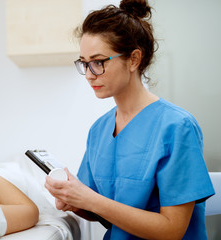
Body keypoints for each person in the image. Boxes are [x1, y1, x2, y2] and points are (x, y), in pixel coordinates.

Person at [44, 0, 215, 239]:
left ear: (134, 59)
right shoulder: (99, 130)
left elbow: (172, 229)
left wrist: (90, 199)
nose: (89, 75)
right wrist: (75, 201)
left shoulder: (176, 127)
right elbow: (101, 210)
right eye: (84, 63)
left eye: (98, 62)